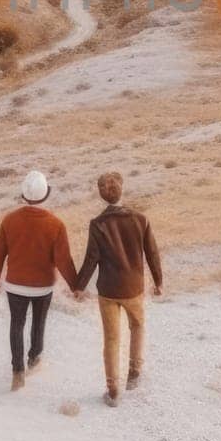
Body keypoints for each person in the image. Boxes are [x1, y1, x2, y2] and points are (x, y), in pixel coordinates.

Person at [73, 170, 162, 407]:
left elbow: (91, 259)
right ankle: (134, 373)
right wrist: (158, 281)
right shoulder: (140, 219)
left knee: (111, 339)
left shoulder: (97, 224)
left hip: (108, 290)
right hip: (133, 287)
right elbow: (152, 253)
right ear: (123, 188)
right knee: (138, 325)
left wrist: (79, 286)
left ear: (102, 195)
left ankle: (113, 389)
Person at [0, 170, 78, 391]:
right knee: (39, 321)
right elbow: (63, 259)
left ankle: (17, 372)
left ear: (24, 195)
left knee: (16, 324)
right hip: (42, 285)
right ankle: (34, 358)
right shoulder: (56, 224)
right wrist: (76, 285)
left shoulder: (9, 220)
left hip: (15, 284)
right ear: (46, 194)